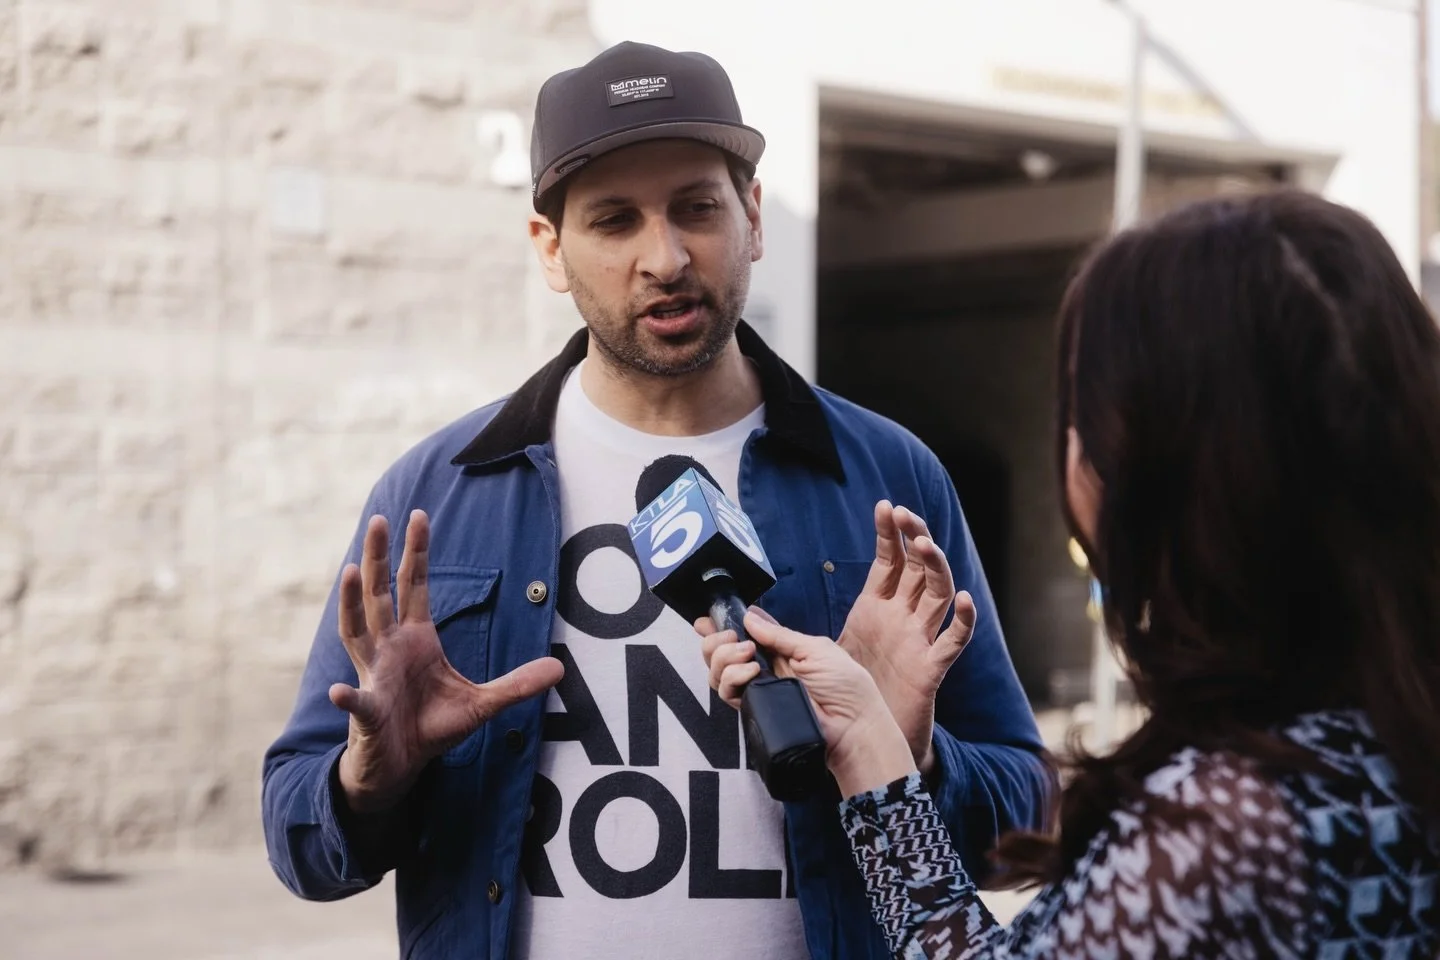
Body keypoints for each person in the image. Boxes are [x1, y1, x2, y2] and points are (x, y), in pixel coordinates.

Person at [260, 40, 1050, 959]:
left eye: (696, 209)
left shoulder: (887, 477)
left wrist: (907, 755)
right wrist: (368, 780)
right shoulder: (439, 493)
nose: (665, 257)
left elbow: (1025, 810)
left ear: (753, 217)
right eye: (614, 221)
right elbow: (300, 843)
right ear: (550, 249)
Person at [700, 189, 1440, 958]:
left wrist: (867, 749)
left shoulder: (1225, 824)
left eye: (1085, 409)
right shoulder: (1389, 739)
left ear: (1174, 467)